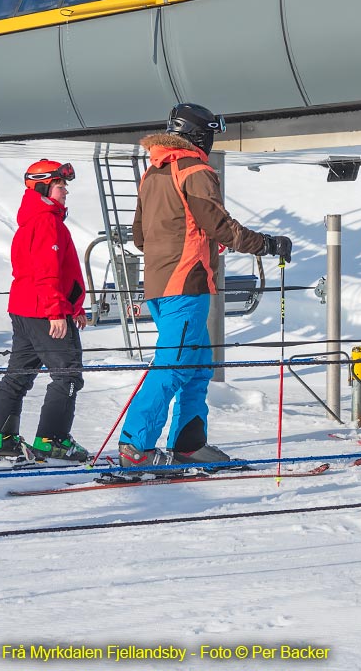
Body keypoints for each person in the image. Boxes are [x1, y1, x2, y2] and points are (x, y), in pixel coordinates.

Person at [119, 103, 293, 469]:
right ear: (199, 134)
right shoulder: (194, 169)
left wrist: (190, 237)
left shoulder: (154, 172)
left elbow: (140, 236)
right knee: (172, 367)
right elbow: (220, 225)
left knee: (197, 366)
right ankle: (136, 446)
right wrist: (267, 244)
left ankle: (188, 443)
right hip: (187, 284)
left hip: (160, 284)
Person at [0, 160, 89, 462]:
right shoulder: (45, 221)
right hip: (44, 310)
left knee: (19, 375)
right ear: (43, 186)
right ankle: (51, 442)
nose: (65, 190)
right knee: (67, 376)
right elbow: (46, 272)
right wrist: (57, 311)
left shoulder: (37, 218)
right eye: (60, 184)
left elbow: (57, 272)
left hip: (27, 308)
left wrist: (73, 307)